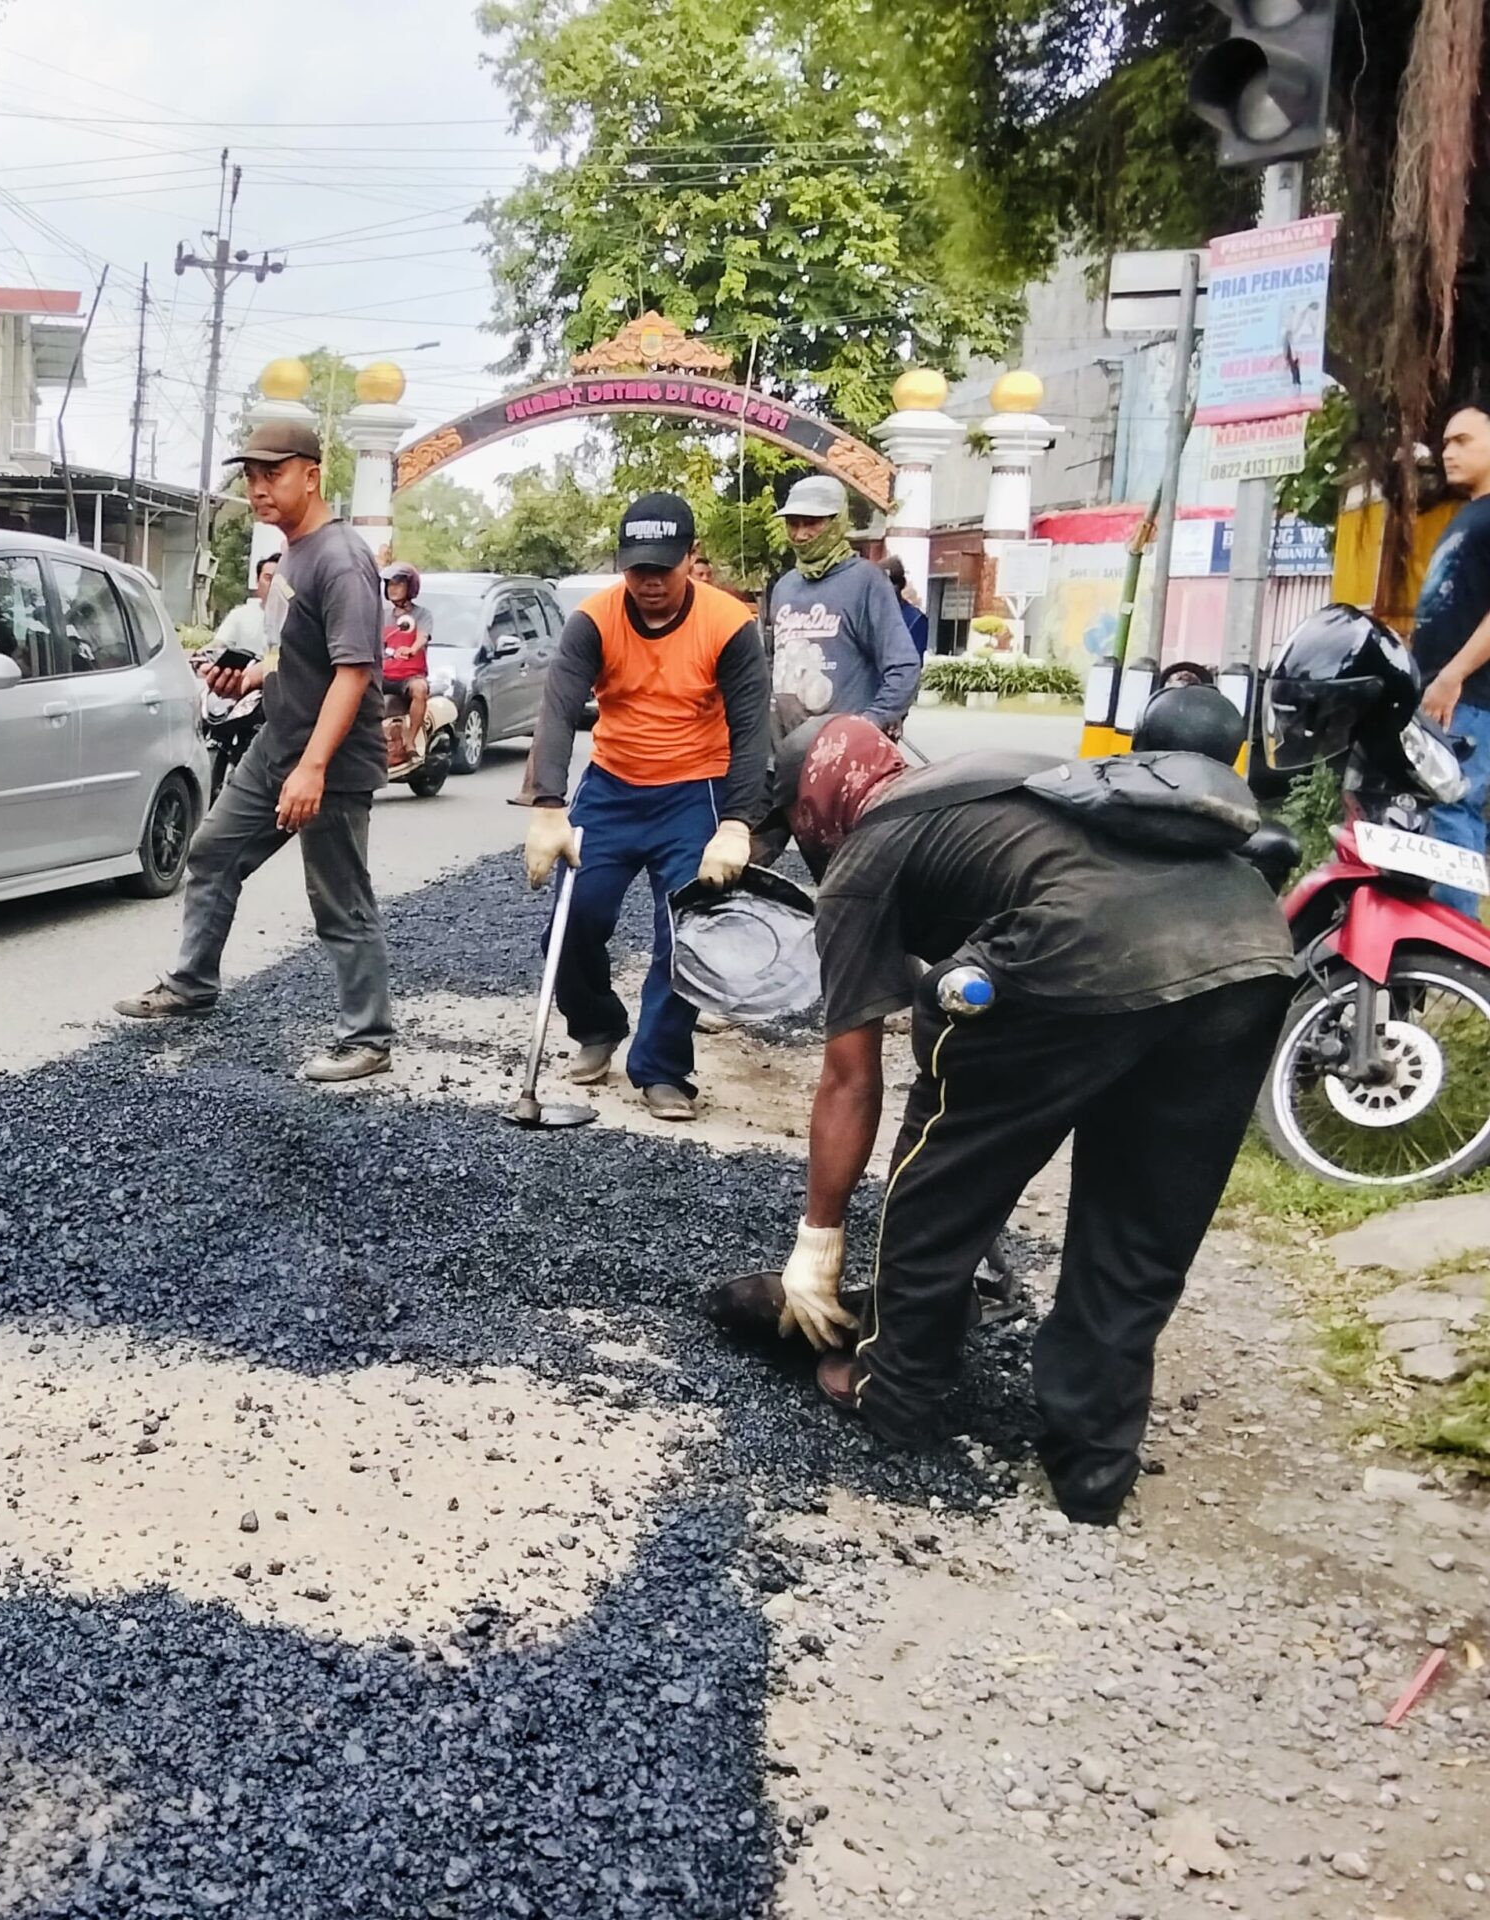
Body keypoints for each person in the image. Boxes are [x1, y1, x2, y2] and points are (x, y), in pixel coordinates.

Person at [767, 716, 1293, 1524]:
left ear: (815, 808)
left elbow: (850, 1078)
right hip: (1247, 949)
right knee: (1141, 1219)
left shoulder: (866, 851)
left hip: (1081, 945)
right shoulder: (984, 780)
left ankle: (895, 1387)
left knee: (943, 1170)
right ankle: (1093, 1466)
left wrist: (819, 1240)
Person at [115, 419, 394, 1083]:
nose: (259, 488)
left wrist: (314, 768)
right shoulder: (293, 552)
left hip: (331, 758)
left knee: (339, 896)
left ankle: (368, 1038)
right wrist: (250, 679)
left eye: (273, 474)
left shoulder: (341, 559)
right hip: (278, 742)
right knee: (213, 852)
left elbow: (353, 673)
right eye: (251, 476)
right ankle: (193, 984)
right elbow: (297, 655)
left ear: (311, 475)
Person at [519, 492, 771, 1120]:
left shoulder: (728, 623)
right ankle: (597, 1026)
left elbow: (751, 729)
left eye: (663, 567)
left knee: (684, 932)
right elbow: (558, 710)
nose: (650, 582)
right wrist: (547, 805)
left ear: (691, 557)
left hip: (695, 790)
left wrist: (736, 824)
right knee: (574, 919)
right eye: (637, 569)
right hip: (612, 787)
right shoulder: (593, 620)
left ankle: (662, 1067)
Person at [1410, 404, 1490, 914]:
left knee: (1454, 807)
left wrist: (1453, 675)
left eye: (1463, 441)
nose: (1448, 452)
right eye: (1445, 444)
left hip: (1469, 699)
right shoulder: (1470, 516)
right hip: (1442, 695)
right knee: (1440, 813)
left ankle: (1453, 949)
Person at [767, 475, 919, 739]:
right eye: (793, 523)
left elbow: (904, 666)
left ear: (836, 522)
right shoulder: (784, 587)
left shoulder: (866, 581)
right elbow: (770, 660)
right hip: (787, 750)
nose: (800, 534)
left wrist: (872, 722)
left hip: (845, 749)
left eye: (811, 523)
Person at [381, 562, 433, 766]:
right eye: (389, 584)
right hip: (384, 673)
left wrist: (412, 649)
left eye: (398, 584)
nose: (392, 588)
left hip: (409, 676)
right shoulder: (381, 615)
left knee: (420, 689)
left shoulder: (422, 615)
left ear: (410, 587)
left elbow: (423, 636)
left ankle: (410, 743)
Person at [213, 552, 280, 662]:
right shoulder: (239, 615)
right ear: (257, 581)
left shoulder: (298, 619)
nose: (273, 584)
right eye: (268, 578)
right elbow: (218, 644)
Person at [880, 554, 930, 660]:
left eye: (891, 584)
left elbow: (914, 662)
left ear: (902, 584)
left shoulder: (916, 620)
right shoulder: (868, 616)